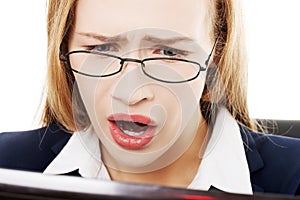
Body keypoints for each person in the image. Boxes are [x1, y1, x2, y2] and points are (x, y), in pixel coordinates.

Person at [0, 0, 299, 196]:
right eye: (101, 49)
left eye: (169, 53)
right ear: (64, 49)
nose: (131, 94)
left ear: (215, 56)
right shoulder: (7, 164)